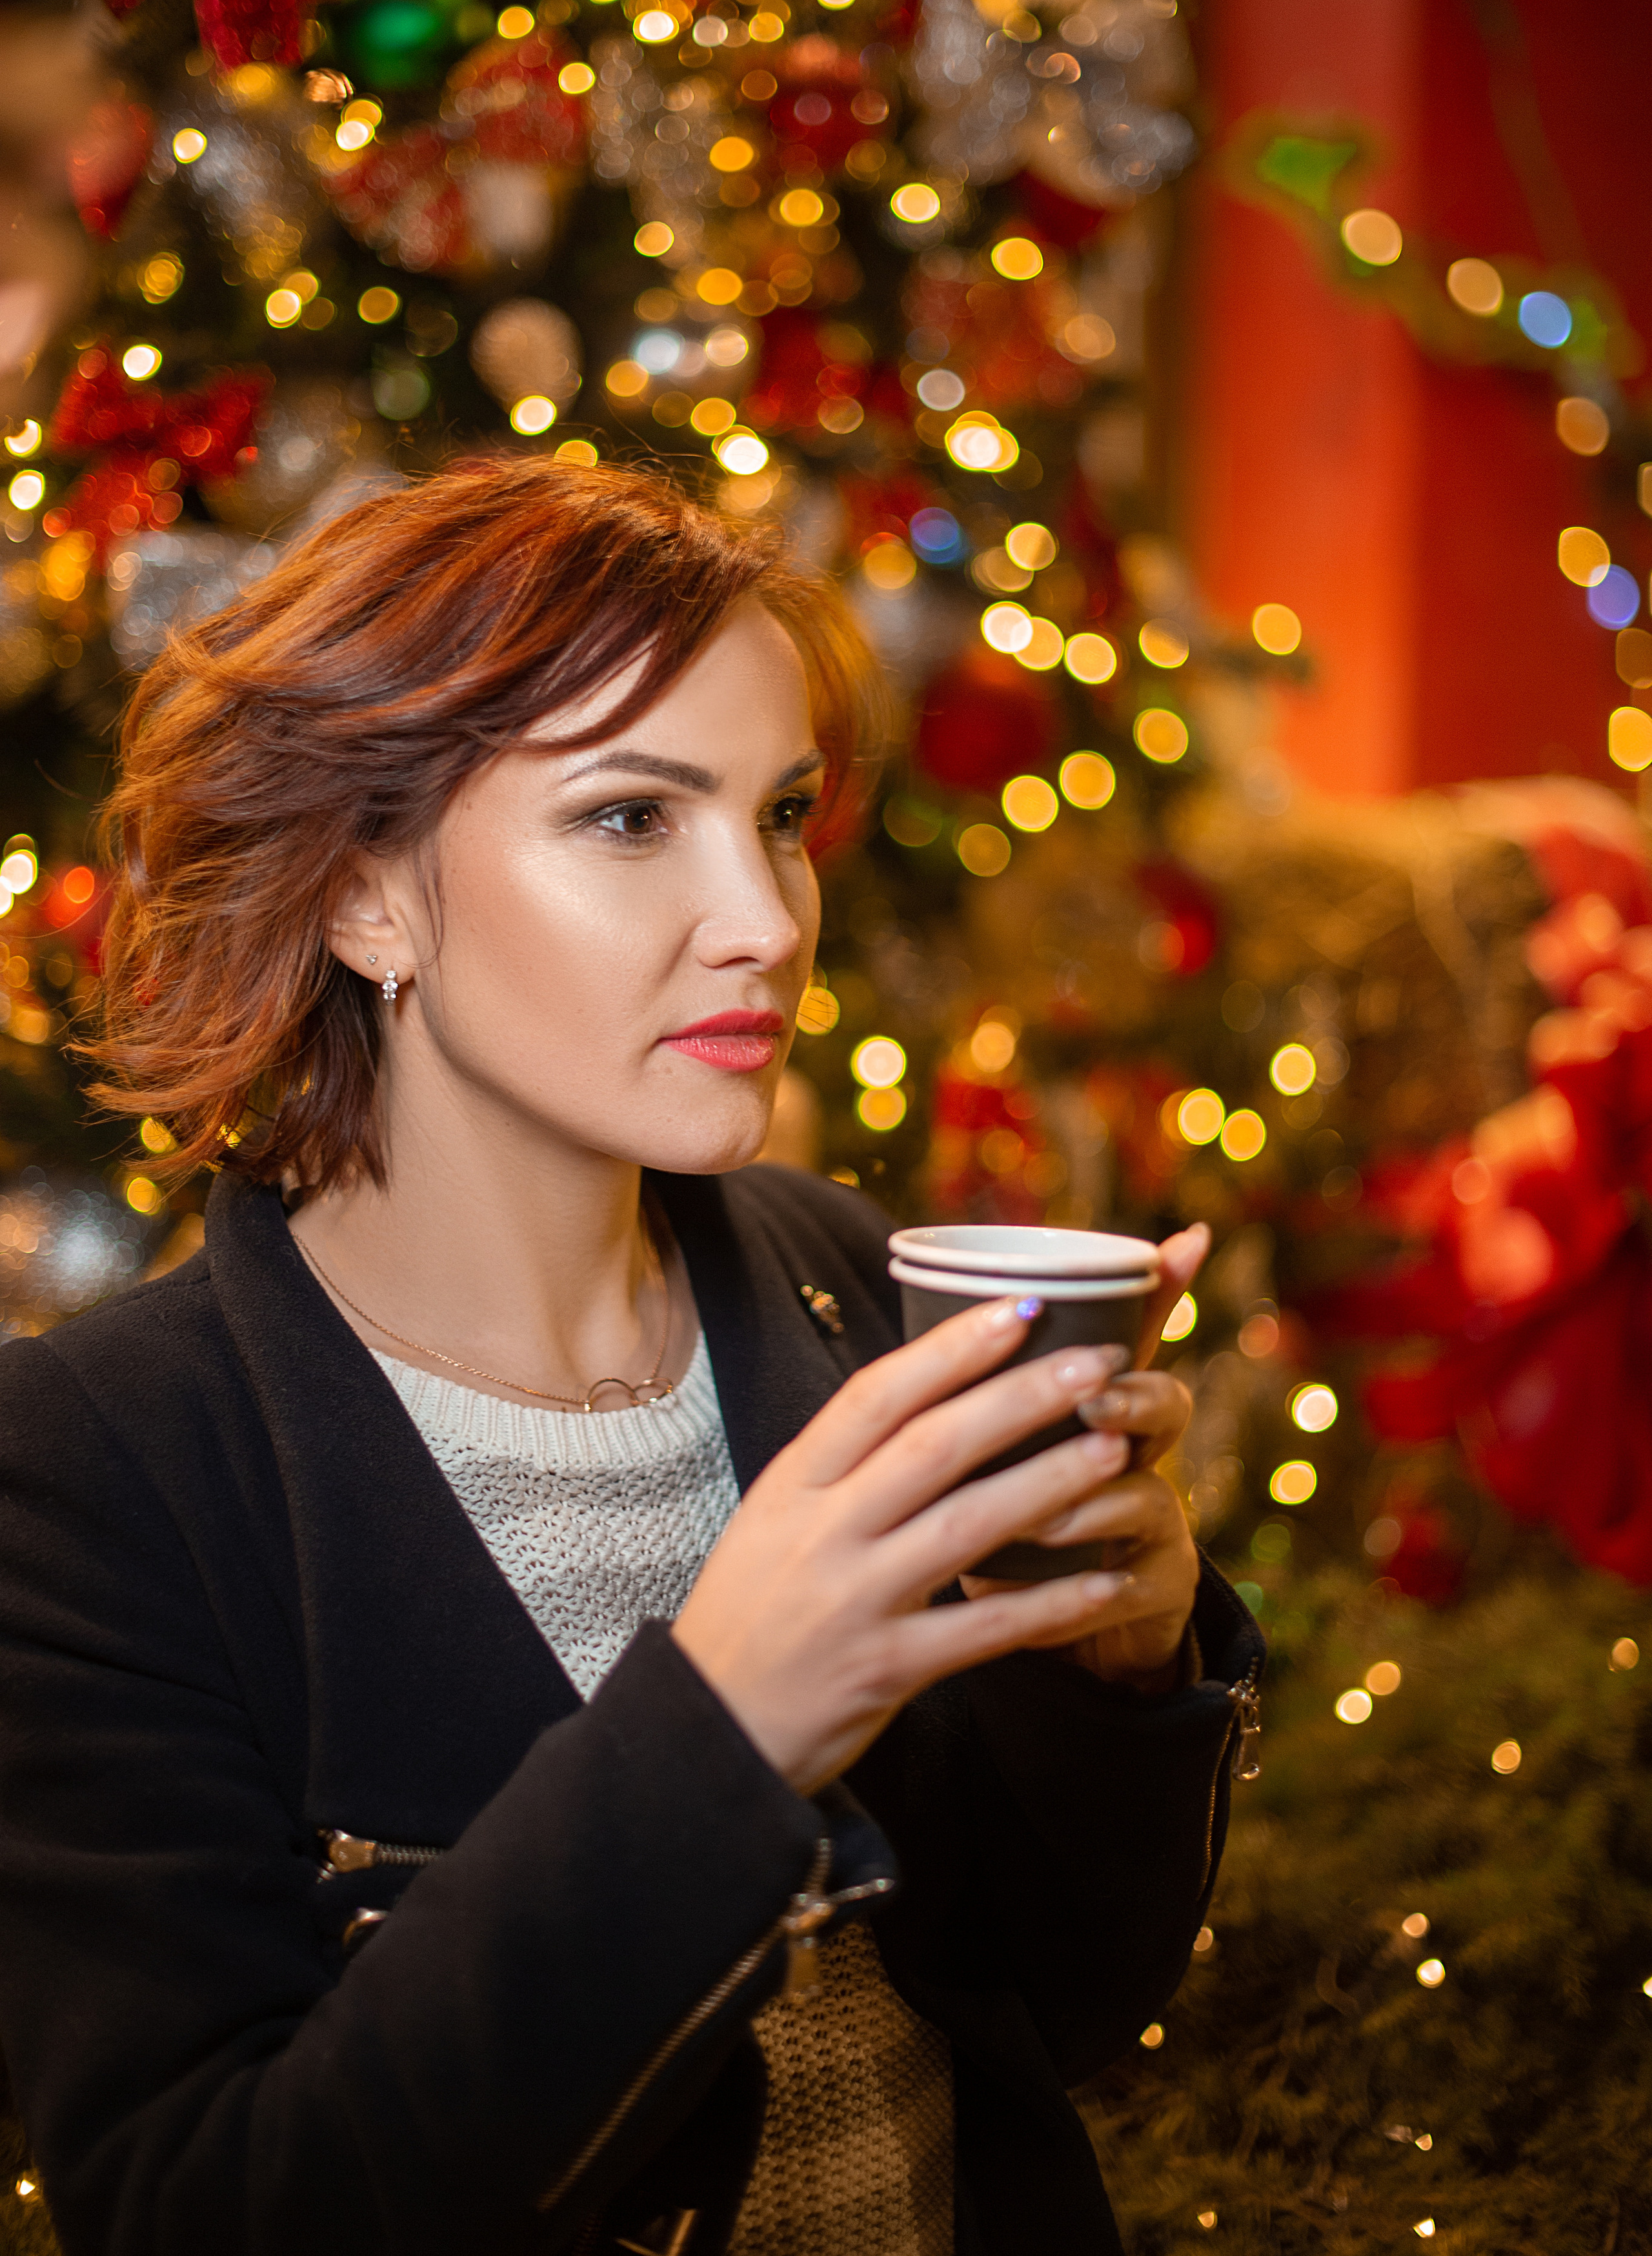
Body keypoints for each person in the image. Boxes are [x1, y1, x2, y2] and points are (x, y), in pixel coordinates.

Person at [0, 458, 1262, 2256]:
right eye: (630, 820)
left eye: (782, 815)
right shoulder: (93, 1473)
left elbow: (1060, 2010)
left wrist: (1122, 1676)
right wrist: (724, 1731)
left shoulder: (850, 1286)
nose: (764, 918)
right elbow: (220, 2205)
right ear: (369, 902)